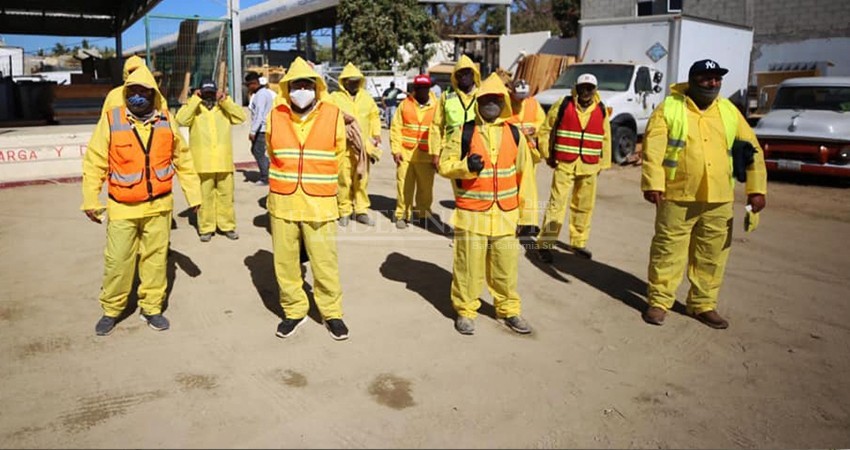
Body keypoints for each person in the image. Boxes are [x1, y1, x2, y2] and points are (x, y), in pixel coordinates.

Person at [641, 59, 767, 329]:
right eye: (707, 78)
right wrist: (653, 183)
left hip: (719, 197)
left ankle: (703, 304)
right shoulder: (670, 108)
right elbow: (653, 149)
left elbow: (751, 150)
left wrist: (757, 189)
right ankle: (659, 301)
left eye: (717, 79)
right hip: (677, 195)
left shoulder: (728, 110)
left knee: (712, 254)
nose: (713, 83)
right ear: (693, 80)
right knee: (668, 250)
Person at [81, 65, 201, 336]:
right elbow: (95, 162)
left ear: (153, 93)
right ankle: (112, 310)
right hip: (122, 205)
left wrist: (194, 195)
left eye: (144, 91)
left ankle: (152, 307)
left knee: (155, 260)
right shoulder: (112, 121)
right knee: (118, 261)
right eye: (132, 91)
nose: (138, 96)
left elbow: (183, 159)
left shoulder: (166, 121)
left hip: (159, 206)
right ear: (125, 93)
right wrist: (91, 199)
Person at [438, 73, 537, 336]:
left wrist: (529, 219)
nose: (491, 104)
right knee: (468, 268)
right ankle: (465, 311)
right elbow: (444, 166)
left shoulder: (514, 135)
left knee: (506, 268)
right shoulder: (463, 132)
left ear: (504, 102)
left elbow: (526, 178)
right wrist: (465, 167)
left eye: (496, 99)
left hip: (506, 215)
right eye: (486, 99)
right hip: (472, 215)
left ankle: (509, 310)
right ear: (478, 102)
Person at [265, 57, 349, 341]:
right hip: (283, 202)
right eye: (296, 84)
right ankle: (294, 311)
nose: (302, 89)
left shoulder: (333, 114)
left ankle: (332, 313)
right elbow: (271, 151)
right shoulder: (275, 114)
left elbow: (339, 155)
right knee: (286, 263)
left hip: (320, 202)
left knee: (325, 262)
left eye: (307, 84)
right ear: (287, 88)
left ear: (317, 87)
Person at [536, 74, 612, 262]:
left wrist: (603, 164)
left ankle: (578, 242)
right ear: (576, 88)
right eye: (582, 87)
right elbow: (545, 129)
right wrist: (547, 154)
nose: (586, 92)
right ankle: (545, 244)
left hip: (589, 166)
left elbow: (606, 138)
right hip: (565, 164)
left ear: (595, 89)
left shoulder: (601, 109)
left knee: (584, 206)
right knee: (556, 205)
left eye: (590, 88)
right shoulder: (563, 104)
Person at [175, 79, 246, 242]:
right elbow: (181, 120)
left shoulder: (224, 107)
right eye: (205, 93)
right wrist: (194, 99)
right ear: (199, 92)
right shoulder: (194, 108)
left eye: (211, 93)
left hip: (223, 161)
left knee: (226, 196)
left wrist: (225, 100)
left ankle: (227, 226)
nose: (209, 96)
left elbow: (240, 117)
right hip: (202, 163)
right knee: (204, 198)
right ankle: (206, 228)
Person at [329, 63, 382, 226]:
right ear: (343, 82)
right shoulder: (334, 98)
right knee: (344, 180)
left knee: (361, 179)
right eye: (350, 81)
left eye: (356, 81)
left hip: (362, 148)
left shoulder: (366, 97)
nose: (353, 84)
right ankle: (344, 210)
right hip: (343, 147)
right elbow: (328, 115)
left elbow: (374, 116)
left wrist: (377, 133)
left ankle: (361, 210)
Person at [390, 73, 438, 229]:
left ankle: (423, 213)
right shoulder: (405, 105)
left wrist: (437, 153)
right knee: (404, 187)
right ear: (414, 88)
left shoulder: (437, 106)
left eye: (425, 88)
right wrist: (396, 150)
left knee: (426, 189)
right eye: (419, 88)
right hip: (405, 155)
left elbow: (440, 131)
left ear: (429, 88)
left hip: (426, 156)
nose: (422, 91)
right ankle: (402, 215)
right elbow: (396, 128)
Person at [506, 78, 546, 235]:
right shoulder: (506, 103)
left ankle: (528, 221)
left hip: (529, 152)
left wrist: (534, 128)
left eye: (524, 95)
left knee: (528, 188)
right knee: (512, 188)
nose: (522, 99)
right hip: (511, 151)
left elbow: (542, 121)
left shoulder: (533, 103)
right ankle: (515, 221)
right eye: (519, 95)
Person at [429, 55, 480, 169]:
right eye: (459, 74)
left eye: (467, 73)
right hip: (453, 150)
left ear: (473, 74)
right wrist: (435, 153)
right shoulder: (447, 96)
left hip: (477, 147)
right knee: (458, 185)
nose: (463, 77)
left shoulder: (482, 95)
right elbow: (436, 126)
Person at [101, 55, 168, 114]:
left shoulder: (156, 95)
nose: (135, 75)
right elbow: (105, 122)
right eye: (132, 72)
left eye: (137, 71)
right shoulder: (113, 96)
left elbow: (165, 119)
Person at [245, 71, 276, 185]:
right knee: (256, 151)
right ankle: (268, 170)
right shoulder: (263, 93)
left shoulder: (261, 95)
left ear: (254, 83)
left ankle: (265, 177)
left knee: (258, 152)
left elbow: (259, 114)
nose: (248, 88)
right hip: (262, 128)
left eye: (248, 85)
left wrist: (253, 131)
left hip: (261, 129)